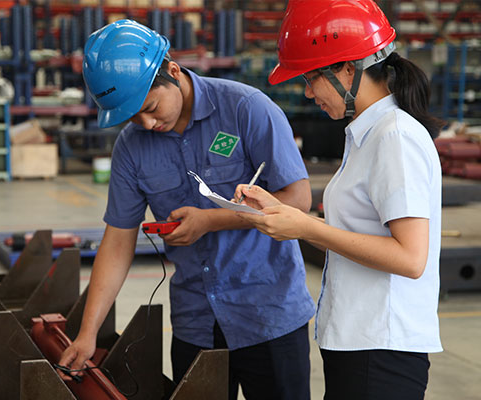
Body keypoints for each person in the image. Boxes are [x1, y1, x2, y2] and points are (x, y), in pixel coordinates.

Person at [58, 19, 315, 400]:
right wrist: (87, 333)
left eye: (150, 107)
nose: (147, 123)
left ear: (173, 72)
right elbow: (118, 242)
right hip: (196, 322)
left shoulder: (246, 109)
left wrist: (211, 220)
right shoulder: (131, 147)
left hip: (268, 314)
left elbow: (297, 198)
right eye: (133, 117)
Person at [234, 1, 444, 399]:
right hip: (359, 343)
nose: (308, 92)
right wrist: (284, 213)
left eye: (311, 78)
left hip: (381, 349)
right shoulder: (367, 134)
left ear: (348, 69)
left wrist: (305, 227)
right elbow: (357, 232)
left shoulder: (394, 137)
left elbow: (410, 258)